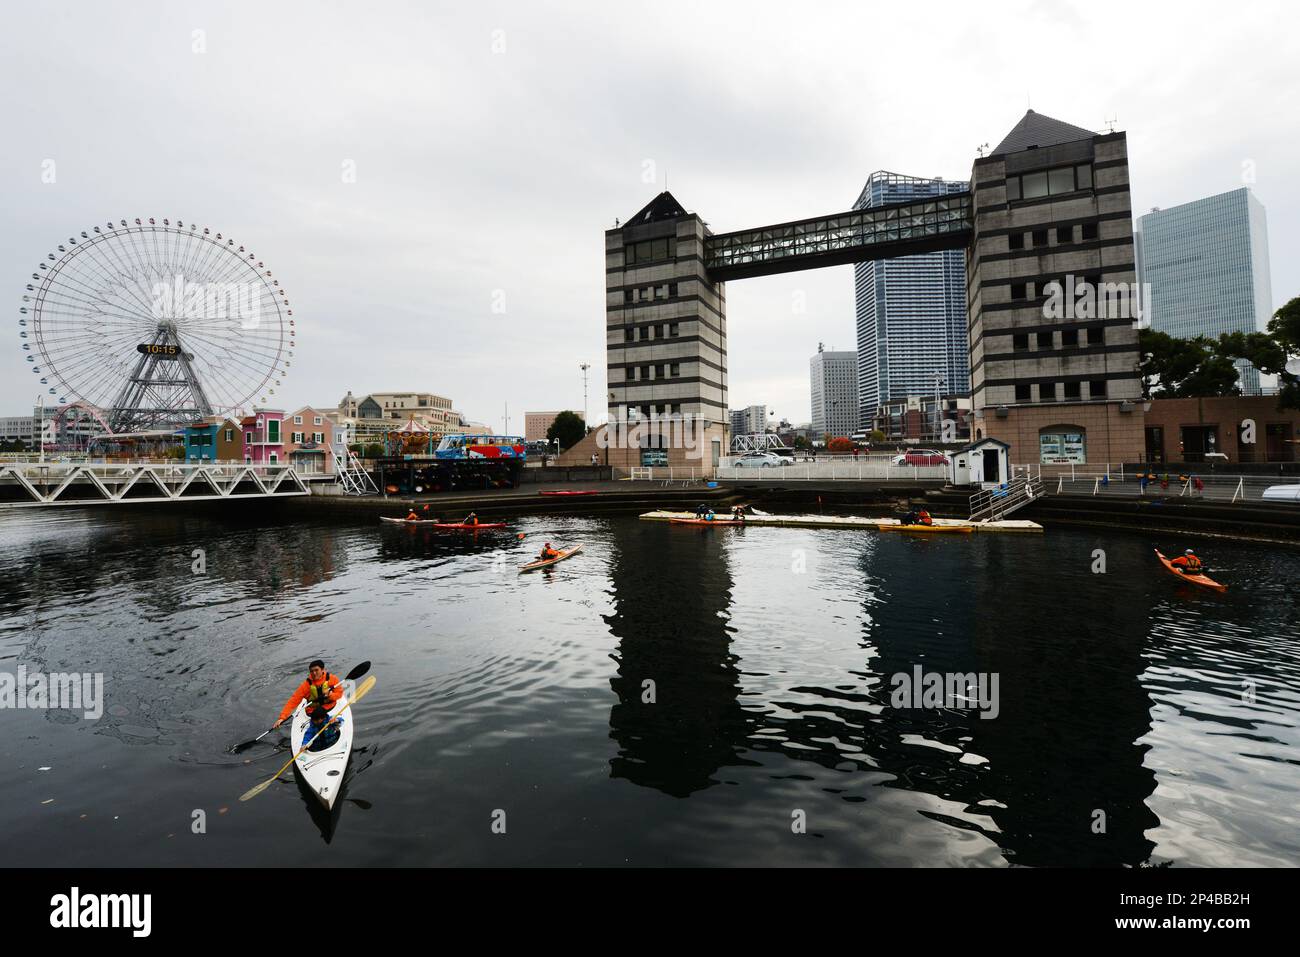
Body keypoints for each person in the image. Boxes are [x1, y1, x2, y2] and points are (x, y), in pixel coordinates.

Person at [274, 660, 344, 751]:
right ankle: (308, 742)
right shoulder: (306, 685)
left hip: (330, 708)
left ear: (322, 669)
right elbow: (293, 700)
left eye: (316, 670)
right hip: (313, 714)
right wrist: (282, 717)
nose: (314, 673)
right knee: (312, 730)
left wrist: (330, 695)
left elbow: (339, 695)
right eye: (311, 671)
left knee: (333, 722)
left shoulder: (332, 679)